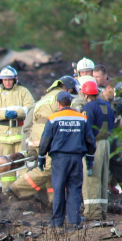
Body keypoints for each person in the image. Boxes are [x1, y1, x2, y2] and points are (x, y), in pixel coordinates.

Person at [8, 76, 78, 205]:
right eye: (71, 92)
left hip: (38, 133)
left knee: (53, 168)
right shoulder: (61, 97)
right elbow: (66, 114)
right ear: (68, 88)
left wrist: (32, 145)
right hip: (48, 133)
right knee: (49, 168)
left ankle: (54, 202)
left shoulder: (45, 98)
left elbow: (32, 121)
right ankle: (17, 189)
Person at [38, 91, 96, 228]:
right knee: (74, 189)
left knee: (58, 189)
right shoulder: (81, 118)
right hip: (76, 158)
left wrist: (41, 156)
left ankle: (57, 222)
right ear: (70, 102)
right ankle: (74, 221)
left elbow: (46, 139)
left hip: (59, 159)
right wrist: (90, 157)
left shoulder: (53, 118)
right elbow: (90, 140)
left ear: (58, 104)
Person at [0, 66, 34, 189]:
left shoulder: (23, 91)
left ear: (15, 79)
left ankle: (24, 190)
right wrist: (3, 114)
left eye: (10, 79)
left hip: (20, 134)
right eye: (5, 80)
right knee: (6, 166)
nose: (7, 82)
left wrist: (18, 113)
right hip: (5, 135)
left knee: (23, 163)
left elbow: (31, 107)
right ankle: (6, 191)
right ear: (1, 81)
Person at [81, 80, 115, 222]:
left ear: (85, 94)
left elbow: (86, 127)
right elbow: (112, 125)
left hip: (94, 145)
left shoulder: (88, 107)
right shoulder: (106, 105)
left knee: (92, 177)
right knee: (102, 177)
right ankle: (102, 210)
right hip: (106, 143)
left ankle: (93, 212)